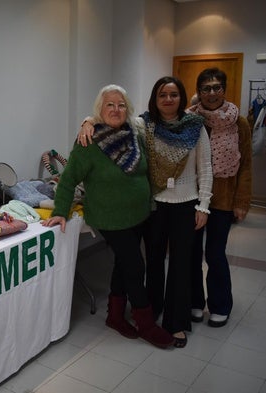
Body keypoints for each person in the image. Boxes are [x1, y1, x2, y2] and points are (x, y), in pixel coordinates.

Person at [77, 77, 213, 348]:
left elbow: (206, 168)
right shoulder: (144, 124)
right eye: (163, 94)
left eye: (174, 94)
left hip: (187, 205)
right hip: (154, 206)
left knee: (180, 265)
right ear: (156, 98)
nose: (168, 100)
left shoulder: (196, 127)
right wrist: (87, 121)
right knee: (153, 262)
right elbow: (113, 115)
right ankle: (154, 312)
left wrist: (204, 206)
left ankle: (176, 323)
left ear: (181, 98)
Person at [43, 84, 174, 349]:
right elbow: (67, 181)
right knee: (136, 265)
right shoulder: (88, 141)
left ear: (128, 109)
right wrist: (60, 213)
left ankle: (115, 316)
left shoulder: (135, 133)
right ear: (99, 111)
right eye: (109, 105)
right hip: (109, 217)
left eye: (121, 104)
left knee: (124, 264)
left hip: (138, 214)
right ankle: (145, 323)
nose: (116, 109)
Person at [187, 67, 252, 328]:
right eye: (206, 88)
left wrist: (241, 201)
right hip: (192, 196)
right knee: (191, 253)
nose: (212, 93)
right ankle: (193, 301)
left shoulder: (239, 122)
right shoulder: (190, 119)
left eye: (217, 87)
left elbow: (246, 164)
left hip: (223, 198)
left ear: (224, 89)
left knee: (215, 254)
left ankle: (220, 305)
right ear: (199, 91)